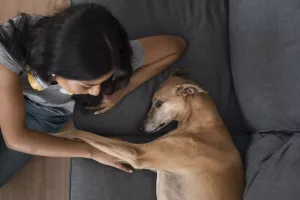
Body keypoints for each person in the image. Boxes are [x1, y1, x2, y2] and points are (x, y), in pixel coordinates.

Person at [0, 3, 186, 187]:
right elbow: (16, 139)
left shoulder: (109, 56)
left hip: (44, 112)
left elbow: (175, 46)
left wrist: (124, 89)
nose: (97, 92)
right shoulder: (12, 44)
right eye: (87, 85)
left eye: (102, 81)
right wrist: (92, 151)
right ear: (57, 67)